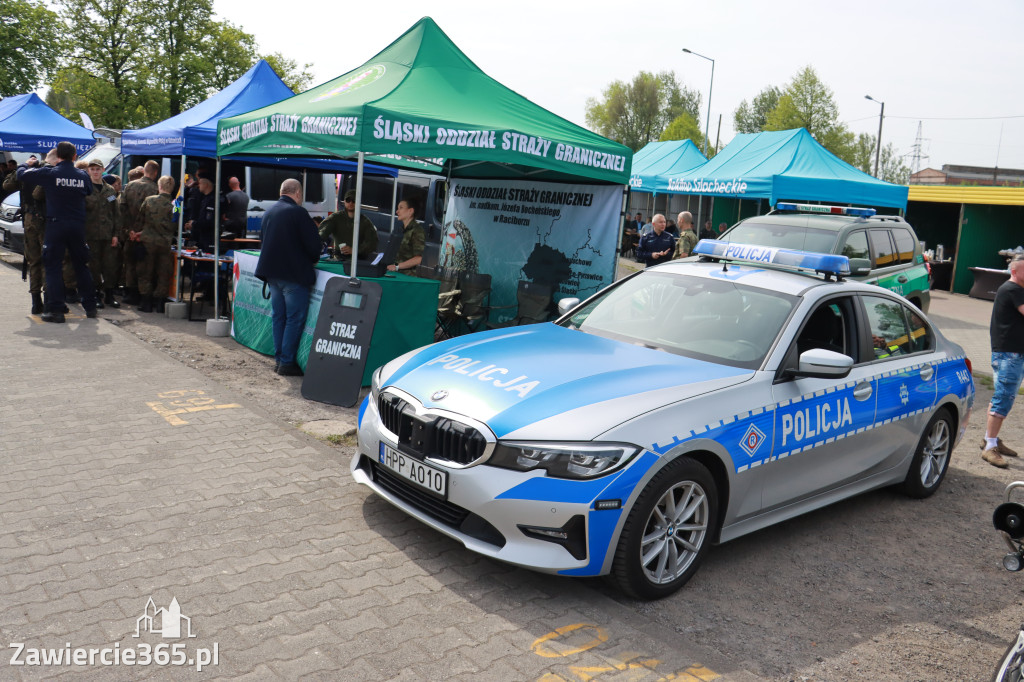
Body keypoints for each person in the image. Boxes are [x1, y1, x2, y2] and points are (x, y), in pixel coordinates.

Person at [16, 141, 95, 323]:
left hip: (56, 225)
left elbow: (22, 175)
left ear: (58, 156)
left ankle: (56, 310)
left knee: (52, 266)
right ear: (75, 157)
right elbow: (88, 191)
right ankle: (90, 307)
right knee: (81, 265)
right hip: (77, 225)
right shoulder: (82, 175)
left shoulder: (50, 173)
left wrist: (26, 164)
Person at [254, 179, 321, 376]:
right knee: (294, 318)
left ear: (281, 191)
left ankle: (279, 359)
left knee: (279, 317)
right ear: (298, 193)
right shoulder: (298, 212)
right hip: (292, 275)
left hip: (272, 275)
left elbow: (263, 241)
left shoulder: (269, 211)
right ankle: (287, 362)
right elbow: (314, 247)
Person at [982, 255, 1024, 467]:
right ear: (1015, 271)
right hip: (1009, 354)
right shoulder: (1012, 289)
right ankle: (990, 447)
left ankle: (990, 439)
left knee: (1003, 395)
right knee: (1004, 397)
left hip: (1012, 353)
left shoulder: (1016, 289)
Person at [4, 153, 48, 313]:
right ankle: (48, 299)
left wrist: (23, 166)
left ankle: (36, 301)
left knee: (35, 261)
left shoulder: (26, 172)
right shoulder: (51, 170)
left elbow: (7, 185)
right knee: (48, 260)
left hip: (30, 218)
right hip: (47, 220)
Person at [120, 160, 159, 305]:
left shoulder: (129, 186)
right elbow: (154, 215)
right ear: (155, 173)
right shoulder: (155, 190)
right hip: (145, 234)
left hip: (130, 232)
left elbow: (121, 209)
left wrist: (128, 230)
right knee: (144, 267)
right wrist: (142, 231)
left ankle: (130, 293)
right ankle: (144, 296)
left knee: (129, 263)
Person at [83, 158, 120, 309]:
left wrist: (116, 234)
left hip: (107, 235)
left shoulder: (110, 190)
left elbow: (115, 213)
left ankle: (109, 295)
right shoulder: (85, 189)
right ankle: (96, 294)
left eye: (98, 169)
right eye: (92, 169)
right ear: (88, 171)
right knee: (94, 267)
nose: (95, 172)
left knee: (110, 266)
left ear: (103, 170)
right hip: (90, 235)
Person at [136, 176, 176, 313]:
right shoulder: (175, 206)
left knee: (146, 272)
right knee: (163, 273)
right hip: (164, 243)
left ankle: (146, 303)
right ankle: (160, 304)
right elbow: (177, 224)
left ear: (159, 186)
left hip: (148, 241)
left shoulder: (149, 201)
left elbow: (140, 219)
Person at [319, 189, 378, 260]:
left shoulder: (365, 221)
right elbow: (323, 231)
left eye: (354, 201)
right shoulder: (335, 218)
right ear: (344, 202)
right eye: (348, 200)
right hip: (339, 258)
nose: (350, 203)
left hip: (359, 260)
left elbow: (372, 243)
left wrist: (354, 250)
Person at [386, 196, 425, 273]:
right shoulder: (400, 230)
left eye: (401, 208)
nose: (397, 211)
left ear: (410, 211)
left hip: (407, 275)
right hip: (394, 273)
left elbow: (418, 258)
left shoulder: (417, 231)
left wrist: (397, 266)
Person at [186, 177, 216, 250]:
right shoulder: (204, 198)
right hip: (201, 235)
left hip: (208, 238)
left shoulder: (212, 200)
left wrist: (193, 223)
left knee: (206, 260)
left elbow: (208, 222)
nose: (198, 186)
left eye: (200, 183)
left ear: (205, 185)